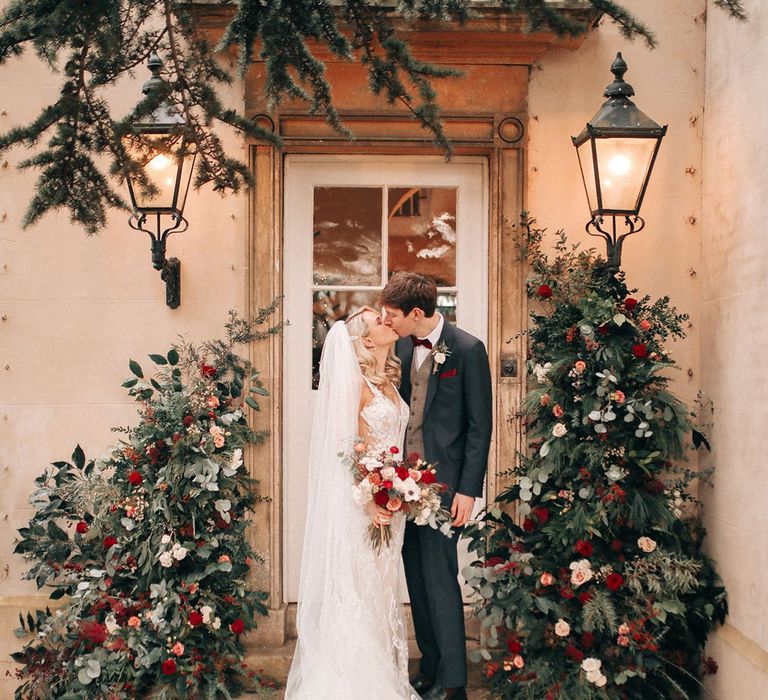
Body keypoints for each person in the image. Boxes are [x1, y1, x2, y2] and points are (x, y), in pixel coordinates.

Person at [285, 306, 420, 700]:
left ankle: (380, 670)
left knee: (380, 591)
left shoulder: (390, 383)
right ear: (364, 340)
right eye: (379, 320)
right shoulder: (356, 384)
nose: (387, 321)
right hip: (364, 507)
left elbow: (391, 446)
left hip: (390, 504)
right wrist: (367, 499)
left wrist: (403, 488)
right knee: (359, 591)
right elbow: (342, 448)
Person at [381, 272, 493, 700]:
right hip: (402, 487)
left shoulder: (468, 350)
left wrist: (468, 490)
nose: (388, 322)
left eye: (393, 315)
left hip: (447, 490)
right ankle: (429, 667)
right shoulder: (405, 347)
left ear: (416, 313)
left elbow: (478, 428)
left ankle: (454, 684)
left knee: (440, 578)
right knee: (416, 578)